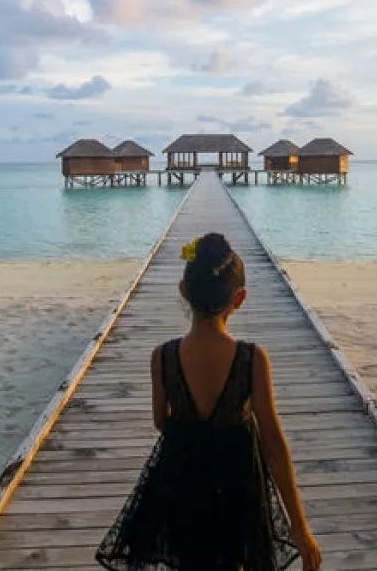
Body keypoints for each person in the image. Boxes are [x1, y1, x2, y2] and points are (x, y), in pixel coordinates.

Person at [95, 232, 322, 571]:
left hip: (182, 485)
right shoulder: (252, 359)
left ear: (184, 291)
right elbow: (273, 442)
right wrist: (300, 528)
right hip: (238, 489)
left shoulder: (163, 357)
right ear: (239, 298)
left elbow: (162, 420)